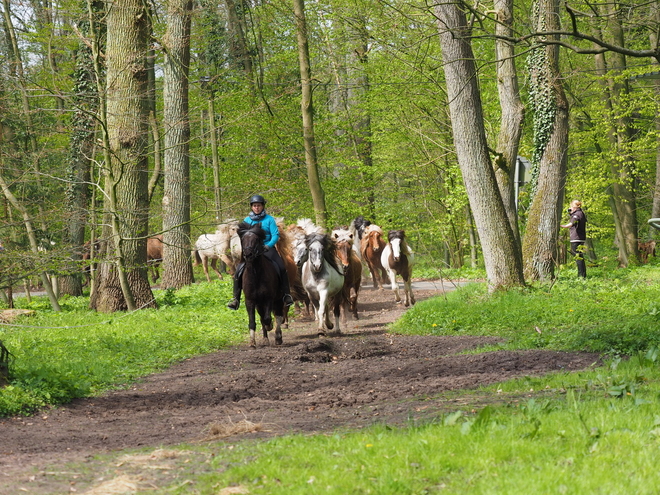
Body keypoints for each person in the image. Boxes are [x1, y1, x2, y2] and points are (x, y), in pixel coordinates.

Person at [227, 195, 294, 310]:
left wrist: (268, 246)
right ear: (251, 207)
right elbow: (243, 237)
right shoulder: (247, 221)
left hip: (267, 249)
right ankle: (235, 298)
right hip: (251, 252)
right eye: (254, 206)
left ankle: (286, 295)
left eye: (259, 205)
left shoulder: (269, 219)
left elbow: (275, 235)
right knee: (238, 270)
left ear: (263, 206)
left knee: (282, 267)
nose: (256, 208)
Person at [561, 200, 587, 278]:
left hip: (576, 238)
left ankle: (581, 275)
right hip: (580, 237)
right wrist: (571, 213)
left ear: (575, 206)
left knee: (577, 256)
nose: (570, 207)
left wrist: (563, 226)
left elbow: (572, 223)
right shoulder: (580, 213)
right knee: (579, 256)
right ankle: (582, 274)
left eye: (572, 206)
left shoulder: (577, 214)